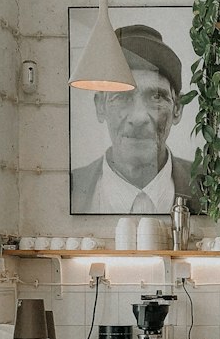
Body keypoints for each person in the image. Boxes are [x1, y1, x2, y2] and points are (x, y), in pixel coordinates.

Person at [70, 24, 202, 214]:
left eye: (156, 97)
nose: (138, 117)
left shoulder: (208, 185)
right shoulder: (73, 185)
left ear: (177, 109)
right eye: (122, 96)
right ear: (100, 106)